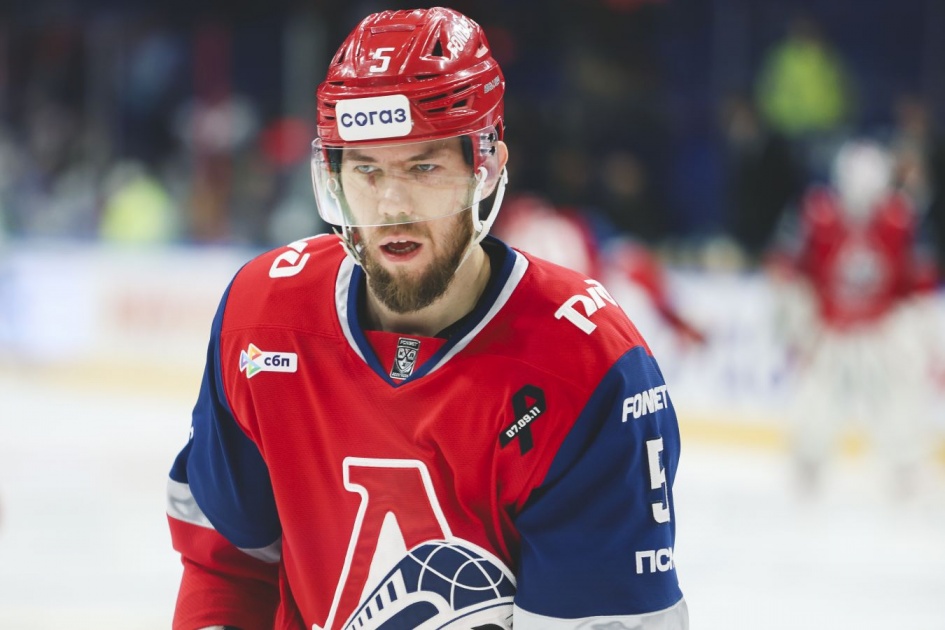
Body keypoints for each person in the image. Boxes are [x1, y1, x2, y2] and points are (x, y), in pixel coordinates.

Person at [165, 7, 688, 630]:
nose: (392, 206)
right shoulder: (262, 321)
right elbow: (228, 567)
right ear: (334, 176)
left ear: (485, 168)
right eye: (366, 169)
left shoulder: (588, 368)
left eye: (424, 167)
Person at [766, 138, 939, 496]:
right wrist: (793, 316)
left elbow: (917, 280)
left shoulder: (900, 218)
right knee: (816, 407)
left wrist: (921, 329)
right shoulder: (815, 214)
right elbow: (788, 268)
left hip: (881, 334)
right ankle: (807, 470)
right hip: (831, 333)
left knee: (898, 407)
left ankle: (906, 472)